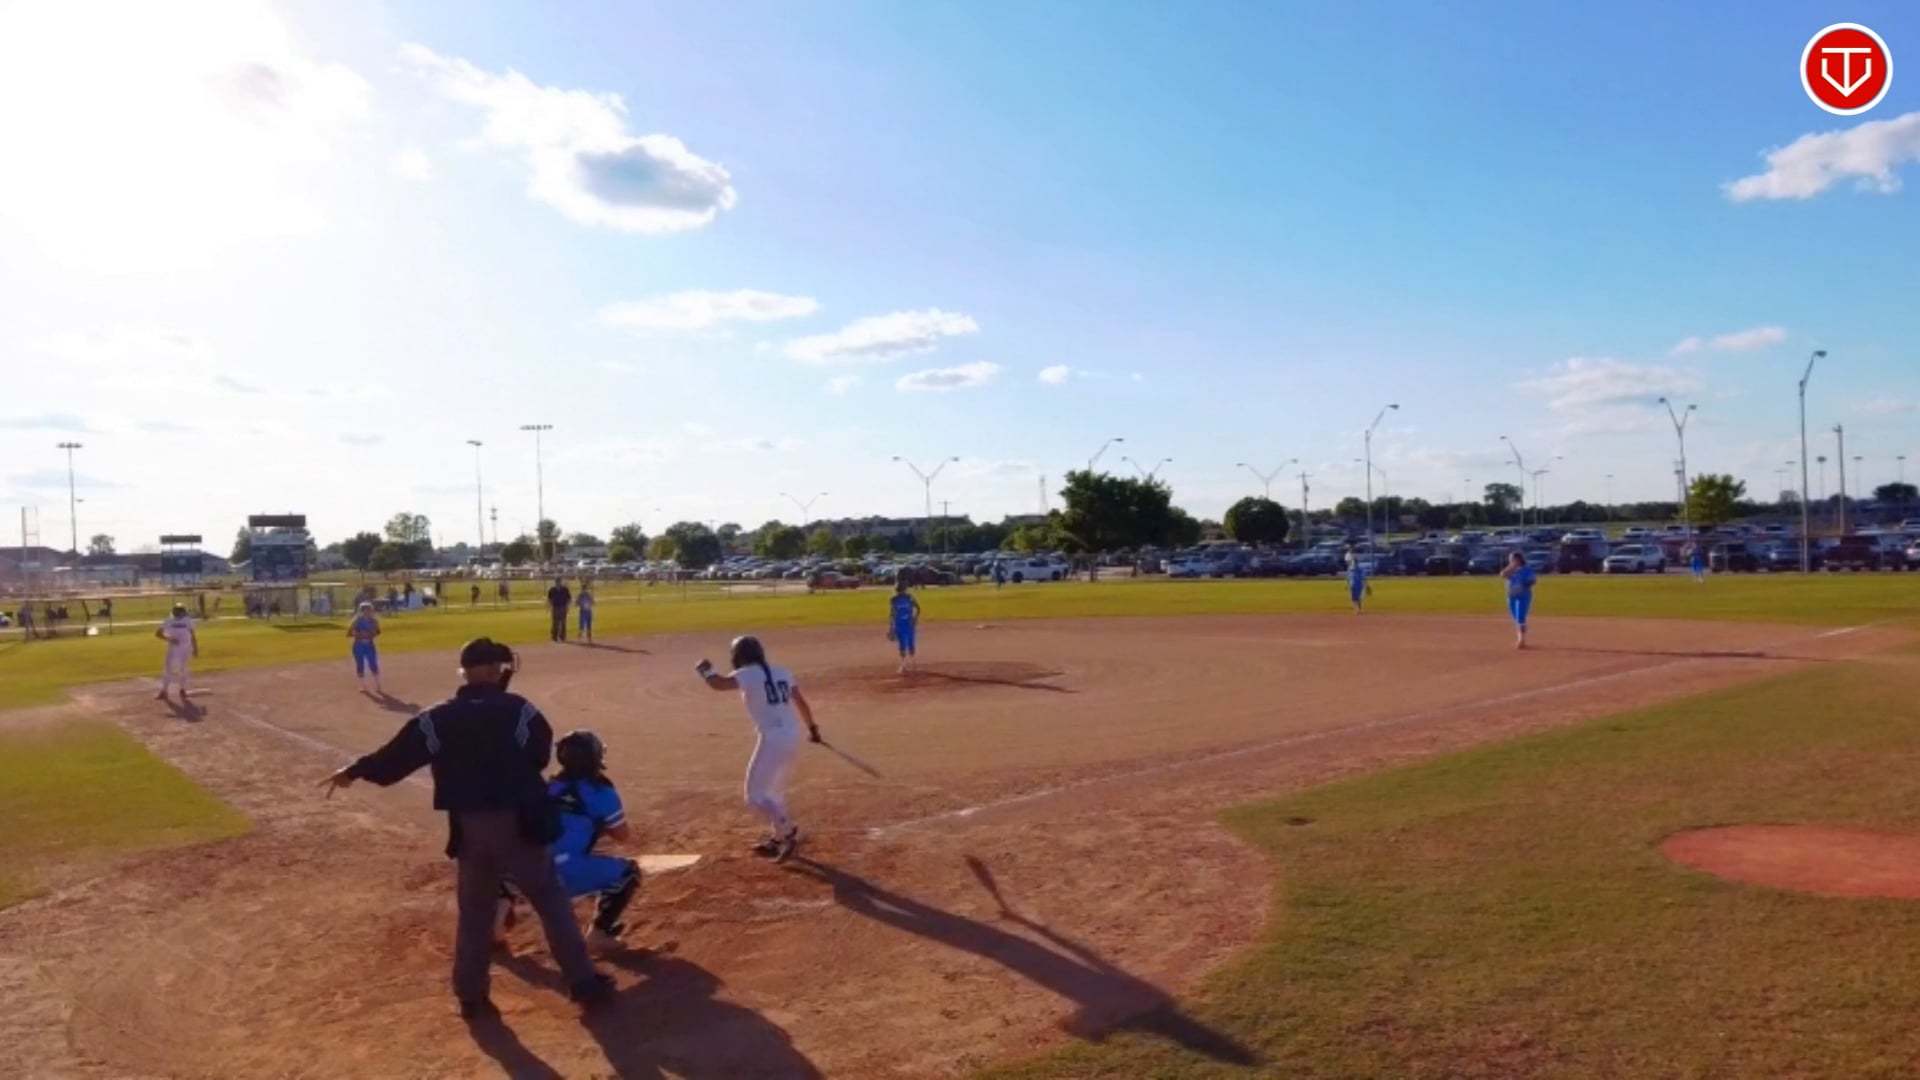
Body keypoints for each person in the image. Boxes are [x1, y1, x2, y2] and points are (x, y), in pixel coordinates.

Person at [318, 638, 612, 1017]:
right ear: (490, 670)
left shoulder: (436, 718)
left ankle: (471, 995)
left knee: (475, 909)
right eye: (500, 668)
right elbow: (539, 756)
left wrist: (353, 771)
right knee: (548, 897)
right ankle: (583, 982)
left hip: (469, 827)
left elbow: (393, 761)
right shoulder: (520, 711)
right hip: (519, 821)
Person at [494, 730, 640, 952]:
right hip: (562, 874)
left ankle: (497, 919)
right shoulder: (602, 792)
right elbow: (622, 836)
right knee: (629, 872)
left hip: (524, 867)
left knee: (506, 873)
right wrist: (597, 826)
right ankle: (599, 934)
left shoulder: (547, 787)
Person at [694, 636, 822, 862]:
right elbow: (801, 703)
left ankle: (788, 831)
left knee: (753, 795)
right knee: (773, 793)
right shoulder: (782, 672)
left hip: (772, 738)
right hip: (792, 735)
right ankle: (778, 837)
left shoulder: (746, 674)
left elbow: (718, 684)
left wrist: (705, 670)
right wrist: (812, 729)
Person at [155, 603, 199, 703]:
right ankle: (164, 691)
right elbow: (158, 633)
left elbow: (193, 635)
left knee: (184, 668)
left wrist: (195, 648)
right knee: (168, 669)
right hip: (173, 648)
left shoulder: (188, 621)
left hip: (186, 648)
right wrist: (170, 639)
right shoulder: (169, 620)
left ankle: (182, 689)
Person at [1499, 549, 1538, 650]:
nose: (1510, 560)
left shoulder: (1526, 569)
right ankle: (1521, 637)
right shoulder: (1510, 570)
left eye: (1512, 559)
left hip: (1524, 595)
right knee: (1516, 618)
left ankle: (1521, 640)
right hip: (1511, 596)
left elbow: (1533, 580)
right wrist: (1511, 567)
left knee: (1520, 617)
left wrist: (1525, 583)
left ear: (1518, 559)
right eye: (1510, 559)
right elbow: (1502, 575)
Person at [347, 601, 383, 694]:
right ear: (361, 611)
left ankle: (378, 685)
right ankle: (362, 685)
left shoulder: (373, 621)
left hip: (369, 645)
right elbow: (349, 633)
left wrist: (370, 634)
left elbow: (378, 632)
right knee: (360, 664)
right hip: (358, 646)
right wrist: (358, 634)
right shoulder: (356, 620)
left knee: (373, 664)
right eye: (364, 610)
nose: (366, 612)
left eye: (368, 610)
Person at [887, 580, 921, 673]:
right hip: (900, 624)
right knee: (903, 644)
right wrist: (891, 627)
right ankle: (904, 665)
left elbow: (918, 608)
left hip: (908, 624)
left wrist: (915, 619)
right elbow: (892, 614)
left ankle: (912, 664)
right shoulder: (894, 599)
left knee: (910, 643)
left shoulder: (909, 598)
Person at [546, 576, 572, 643]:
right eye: (557, 581)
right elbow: (549, 599)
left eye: (559, 581)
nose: (558, 583)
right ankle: (554, 637)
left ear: (561, 582)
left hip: (563, 607)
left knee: (563, 623)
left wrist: (568, 607)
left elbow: (569, 599)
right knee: (555, 623)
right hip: (555, 607)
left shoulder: (565, 589)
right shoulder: (552, 590)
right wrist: (549, 607)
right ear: (555, 582)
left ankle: (562, 637)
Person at [1346, 547, 1369, 615]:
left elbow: (1363, 578)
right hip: (1352, 585)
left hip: (1359, 585)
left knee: (1358, 597)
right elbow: (1348, 577)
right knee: (1353, 598)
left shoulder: (1360, 570)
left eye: (1355, 562)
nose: (1354, 563)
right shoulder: (1350, 569)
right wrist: (1347, 584)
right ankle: (1356, 608)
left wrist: (1366, 585)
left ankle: (1358, 609)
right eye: (1353, 562)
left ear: (1357, 563)